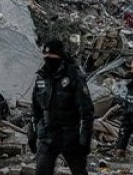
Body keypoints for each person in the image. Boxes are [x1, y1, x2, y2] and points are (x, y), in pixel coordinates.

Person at [28, 39, 93, 175]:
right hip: (48, 136)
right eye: (46, 57)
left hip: (71, 137)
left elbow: (86, 111)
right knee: (41, 171)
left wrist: (84, 140)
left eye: (52, 57)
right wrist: (32, 133)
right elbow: (36, 109)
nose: (48, 61)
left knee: (79, 172)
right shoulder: (41, 77)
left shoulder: (73, 76)